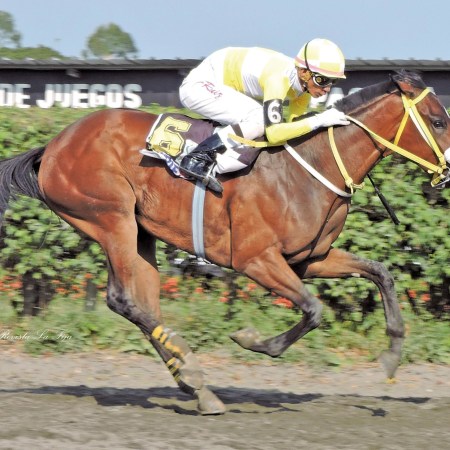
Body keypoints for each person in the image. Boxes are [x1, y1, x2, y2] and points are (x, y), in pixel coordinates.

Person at [179, 38, 350, 193]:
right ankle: (197, 157)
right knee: (259, 119)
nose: (327, 88)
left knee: (263, 124)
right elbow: (274, 133)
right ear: (304, 72)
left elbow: (290, 129)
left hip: (223, 84)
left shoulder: (303, 92)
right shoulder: (279, 79)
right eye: (322, 80)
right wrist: (320, 119)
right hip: (199, 86)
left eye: (333, 81)